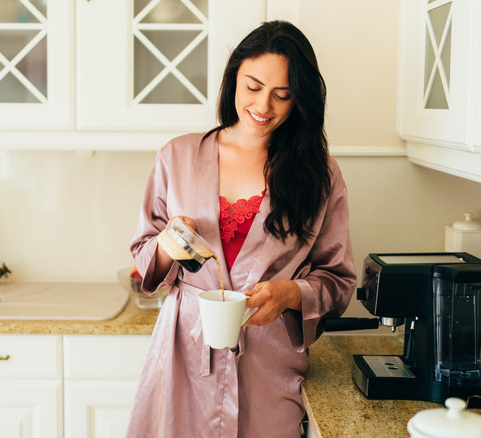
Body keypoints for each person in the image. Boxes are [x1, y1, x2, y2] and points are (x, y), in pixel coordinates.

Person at [127, 20, 357, 438]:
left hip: (269, 364)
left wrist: (291, 293)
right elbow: (144, 258)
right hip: (183, 354)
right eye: (252, 87)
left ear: (299, 100)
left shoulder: (318, 174)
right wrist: (167, 244)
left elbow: (338, 280)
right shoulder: (176, 157)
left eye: (281, 94)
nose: (263, 105)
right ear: (233, 78)